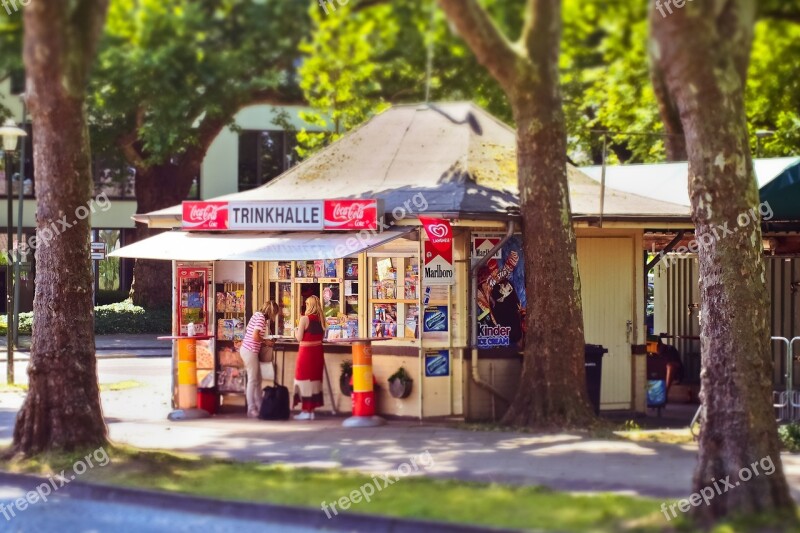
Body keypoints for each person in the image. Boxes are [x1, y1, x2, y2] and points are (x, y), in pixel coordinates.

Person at [240, 300, 279, 418]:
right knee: (253, 380)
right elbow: (255, 336)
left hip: (249, 349)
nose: (273, 317)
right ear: (271, 311)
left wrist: (263, 342)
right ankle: (251, 408)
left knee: (257, 379)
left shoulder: (256, 315)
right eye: (274, 314)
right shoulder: (261, 318)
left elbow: (251, 333)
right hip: (250, 350)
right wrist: (266, 341)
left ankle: (259, 405)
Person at [293, 295, 326, 420]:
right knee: (314, 381)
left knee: (303, 380)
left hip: (306, 352)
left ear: (310, 305)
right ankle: (311, 410)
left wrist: (295, 330)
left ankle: (306, 411)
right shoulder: (321, 319)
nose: (305, 306)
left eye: (307, 304)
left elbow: (299, 337)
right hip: (317, 352)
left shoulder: (304, 319)